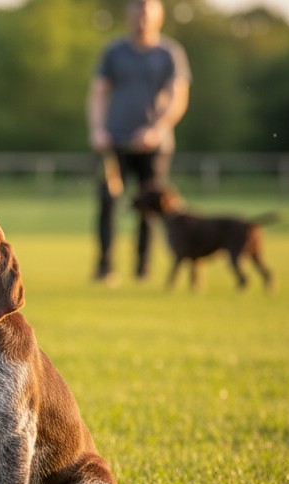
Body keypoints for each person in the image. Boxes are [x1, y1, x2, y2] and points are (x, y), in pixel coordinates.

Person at [87, 0, 190, 285]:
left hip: (154, 146)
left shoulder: (169, 52)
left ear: (159, 15)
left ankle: (143, 269)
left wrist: (157, 129)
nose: (142, 17)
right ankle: (105, 267)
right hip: (115, 143)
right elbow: (98, 92)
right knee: (108, 202)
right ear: (129, 15)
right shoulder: (114, 51)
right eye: (137, 10)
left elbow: (178, 96)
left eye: (147, 11)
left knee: (150, 207)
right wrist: (97, 129)